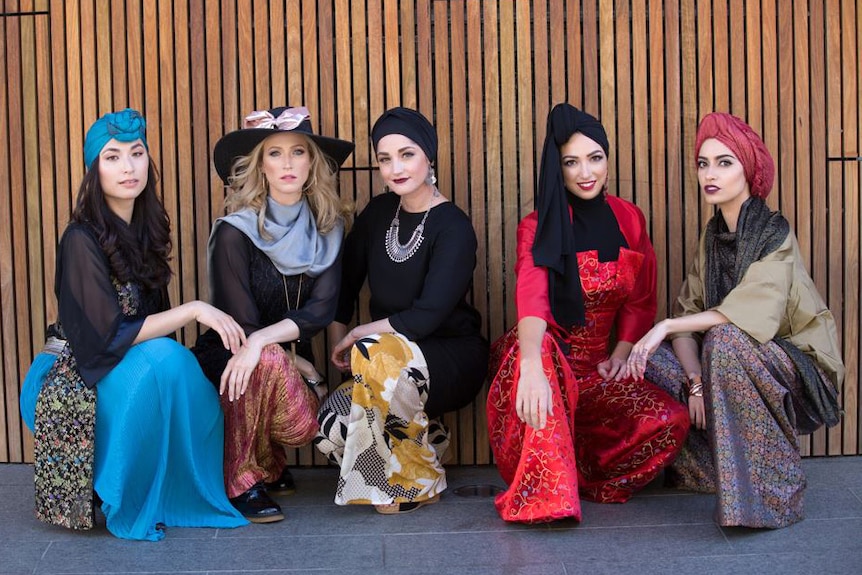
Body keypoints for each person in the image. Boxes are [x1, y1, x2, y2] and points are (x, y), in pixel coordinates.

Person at [19, 109, 248, 541]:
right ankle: (128, 491)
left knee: (180, 366)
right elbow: (105, 339)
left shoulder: (146, 229)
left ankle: (184, 490)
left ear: (148, 162)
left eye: (136, 153)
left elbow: (150, 329)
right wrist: (195, 309)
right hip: (73, 371)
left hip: (122, 363)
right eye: (112, 157)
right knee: (163, 360)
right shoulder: (80, 239)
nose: (128, 167)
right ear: (94, 169)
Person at [629, 112, 844, 528]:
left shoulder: (773, 232)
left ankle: (772, 494)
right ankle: (714, 470)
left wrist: (666, 326)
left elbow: (748, 318)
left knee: (724, 341)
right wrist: (693, 382)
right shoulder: (712, 238)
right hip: (731, 360)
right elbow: (690, 317)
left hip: (800, 368)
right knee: (650, 361)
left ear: (749, 169)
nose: (710, 173)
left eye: (725, 162)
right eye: (703, 163)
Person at [486, 103, 690, 524]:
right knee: (542, 352)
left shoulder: (628, 218)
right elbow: (532, 297)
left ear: (608, 161)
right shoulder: (537, 224)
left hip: (597, 371)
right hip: (542, 359)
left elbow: (641, 297)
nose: (585, 172)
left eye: (595, 158)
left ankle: (573, 471)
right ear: (557, 169)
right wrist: (531, 367)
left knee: (670, 421)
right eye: (571, 162)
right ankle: (547, 498)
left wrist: (622, 349)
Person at [314, 107, 489, 514]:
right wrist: (340, 337)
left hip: (450, 357)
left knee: (375, 349)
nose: (395, 168)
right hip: (386, 363)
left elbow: (426, 316)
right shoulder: (378, 213)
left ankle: (417, 482)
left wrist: (358, 336)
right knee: (329, 426)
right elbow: (345, 285)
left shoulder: (453, 226)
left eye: (407, 154)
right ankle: (426, 443)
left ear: (428, 156)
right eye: (385, 158)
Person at [193, 106, 354, 523]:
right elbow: (244, 327)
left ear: (311, 163)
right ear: (260, 166)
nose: (287, 163)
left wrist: (297, 362)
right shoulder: (232, 232)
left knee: (297, 412)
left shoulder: (330, 227)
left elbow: (322, 310)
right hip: (228, 360)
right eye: (275, 153)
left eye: (298, 152)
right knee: (260, 358)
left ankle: (269, 461)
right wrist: (284, 354)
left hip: (283, 360)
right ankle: (241, 481)